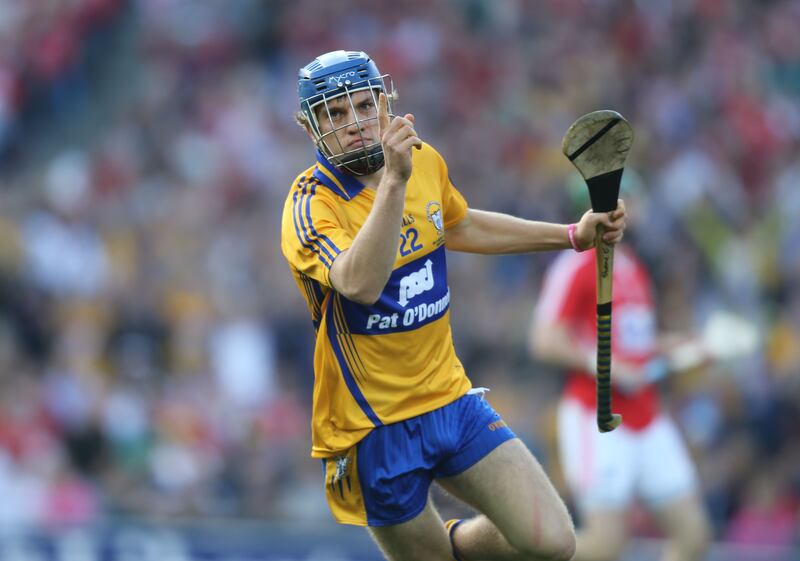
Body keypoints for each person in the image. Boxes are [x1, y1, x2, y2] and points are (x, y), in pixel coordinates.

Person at [280, 49, 626, 561]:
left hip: (450, 400)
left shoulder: (423, 162)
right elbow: (360, 283)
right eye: (335, 114)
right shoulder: (310, 205)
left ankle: (453, 547)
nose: (354, 123)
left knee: (553, 540)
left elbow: (460, 223)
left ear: (384, 104)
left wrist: (573, 234)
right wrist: (393, 182)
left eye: (362, 105)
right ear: (312, 128)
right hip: (373, 428)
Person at [528, 186, 712, 561]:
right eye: (630, 199)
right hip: (599, 418)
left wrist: (682, 346)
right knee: (607, 544)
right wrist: (606, 365)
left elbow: (634, 344)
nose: (639, 207)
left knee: (694, 536)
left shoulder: (635, 267)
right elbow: (544, 339)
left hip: (647, 416)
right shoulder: (578, 264)